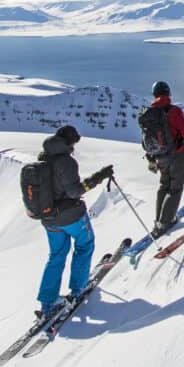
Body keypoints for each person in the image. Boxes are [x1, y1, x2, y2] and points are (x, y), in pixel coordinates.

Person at [35, 124, 113, 318]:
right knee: (85, 244)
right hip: (70, 215)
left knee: (57, 255)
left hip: (49, 218)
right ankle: (78, 288)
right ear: (69, 141)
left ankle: (47, 301)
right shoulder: (66, 162)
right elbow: (75, 191)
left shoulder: (43, 158)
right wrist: (99, 177)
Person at [141, 80, 184, 238]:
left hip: (159, 156)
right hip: (176, 153)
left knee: (164, 185)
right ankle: (166, 221)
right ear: (168, 93)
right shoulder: (173, 111)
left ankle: (159, 219)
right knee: (175, 188)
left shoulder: (148, 114)